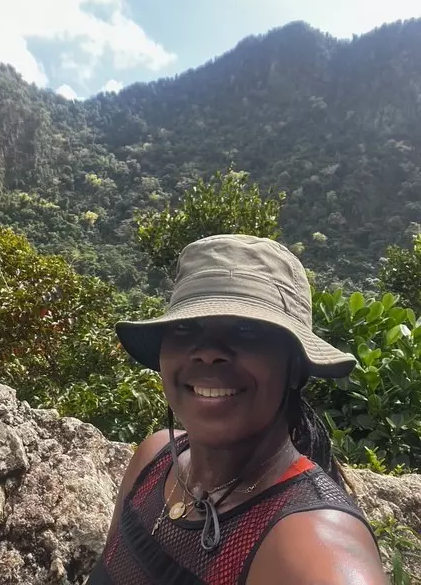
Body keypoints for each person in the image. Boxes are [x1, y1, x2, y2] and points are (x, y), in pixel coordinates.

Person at [87, 234, 387, 584]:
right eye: (185, 327)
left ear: (296, 368)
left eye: (247, 329)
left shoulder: (311, 547)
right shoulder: (154, 461)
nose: (208, 351)